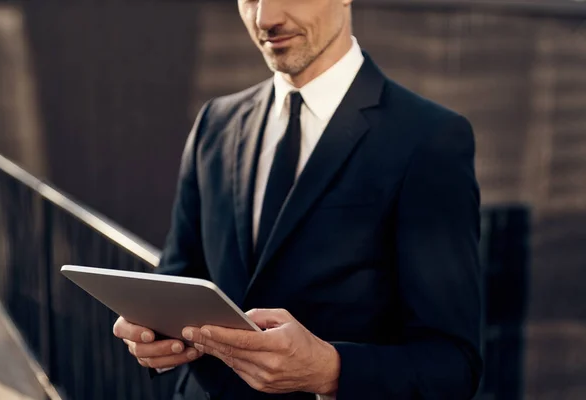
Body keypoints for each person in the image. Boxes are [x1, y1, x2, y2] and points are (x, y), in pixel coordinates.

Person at [113, 0, 483, 398]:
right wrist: (150, 329)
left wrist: (330, 370)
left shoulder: (428, 138)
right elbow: (179, 273)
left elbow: (453, 363)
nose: (264, 18)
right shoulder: (215, 123)